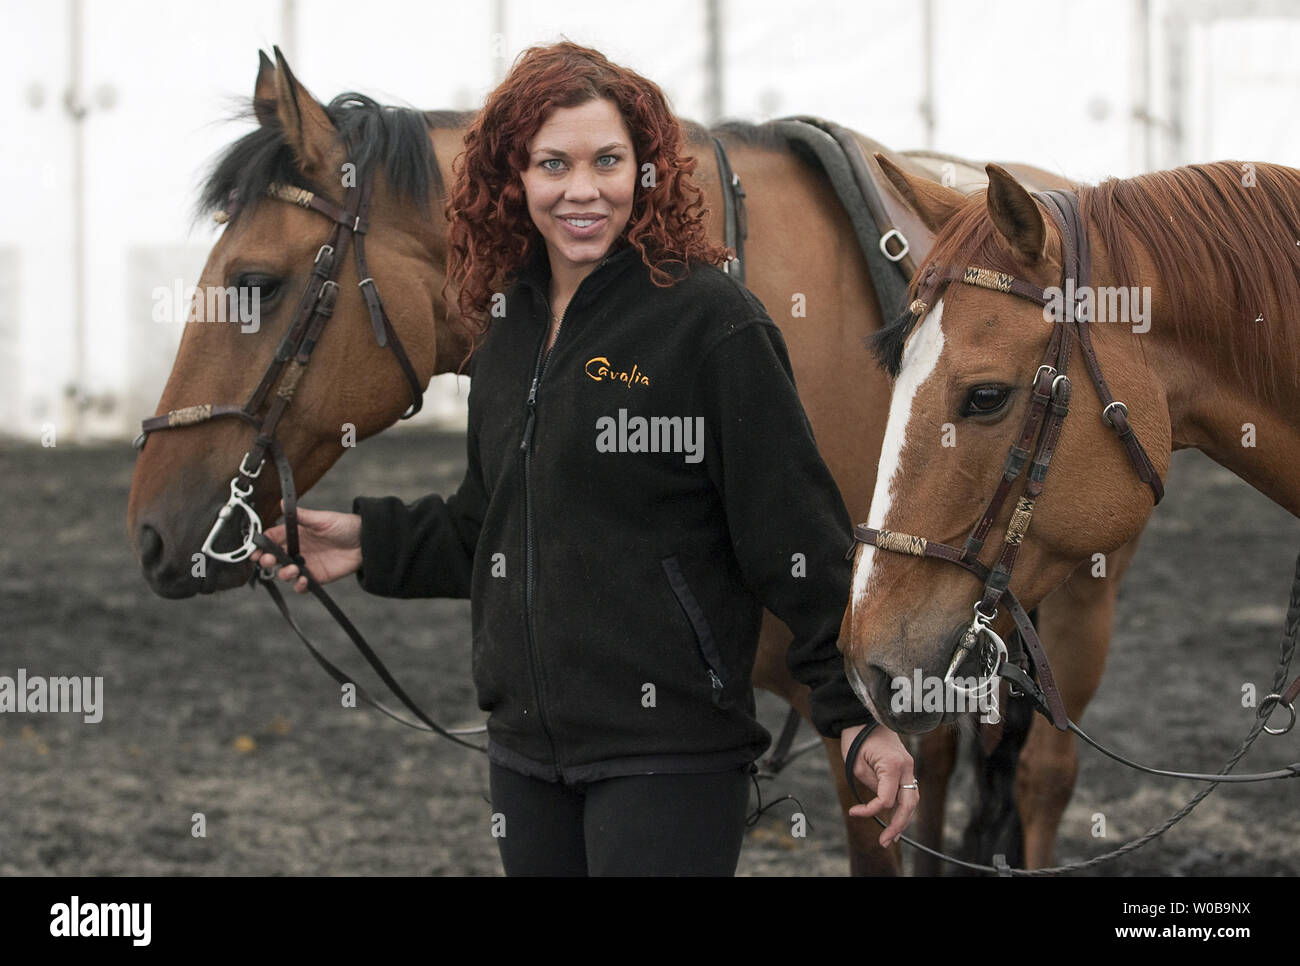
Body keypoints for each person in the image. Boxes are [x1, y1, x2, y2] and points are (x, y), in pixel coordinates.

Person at [256, 40, 917, 876]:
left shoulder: (712, 322)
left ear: (645, 171)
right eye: (553, 163)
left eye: (608, 160)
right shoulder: (507, 325)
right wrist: (366, 542)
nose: (582, 190)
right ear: (514, 176)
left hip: (668, 755)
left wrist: (854, 716)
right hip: (528, 753)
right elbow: (491, 524)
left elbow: (796, 538)